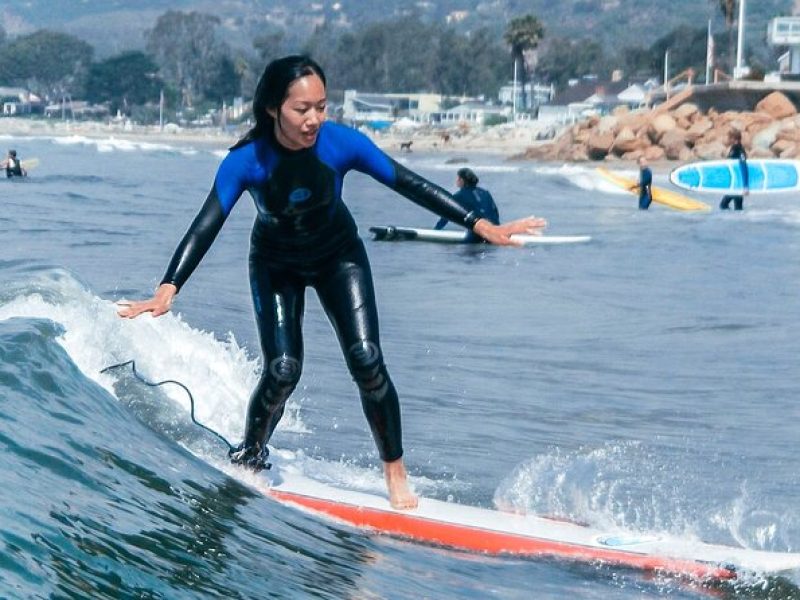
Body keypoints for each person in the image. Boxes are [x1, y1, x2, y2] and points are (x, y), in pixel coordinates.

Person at [117, 55, 546, 510]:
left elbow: (406, 181)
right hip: (275, 263)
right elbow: (207, 222)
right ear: (272, 109)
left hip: (338, 256)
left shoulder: (339, 143)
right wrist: (169, 287)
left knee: (366, 359)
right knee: (283, 370)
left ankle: (395, 473)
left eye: (321, 106)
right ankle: (251, 454)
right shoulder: (247, 161)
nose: (315, 119)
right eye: (302, 109)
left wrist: (478, 223)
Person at [434, 168, 500, 242]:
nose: (456, 181)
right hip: (495, 230)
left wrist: (436, 230)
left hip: (478, 233)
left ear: (462, 181)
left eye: (458, 178)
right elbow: (495, 212)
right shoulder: (485, 193)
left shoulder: (459, 195)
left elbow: (447, 214)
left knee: (463, 250)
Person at [720, 130, 748, 211]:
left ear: (734, 139)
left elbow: (744, 166)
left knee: (724, 205)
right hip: (734, 183)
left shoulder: (739, 149)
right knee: (737, 208)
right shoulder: (734, 148)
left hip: (738, 184)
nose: (728, 140)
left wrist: (745, 186)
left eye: (729, 138)